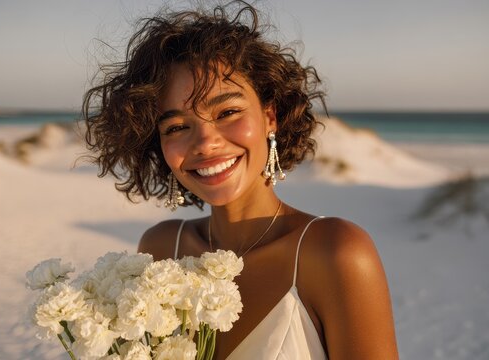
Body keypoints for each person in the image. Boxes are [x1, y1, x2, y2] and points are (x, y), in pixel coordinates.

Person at [83, 1, 399, 359]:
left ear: (270, 117)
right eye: (176, 127)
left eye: (228, 112)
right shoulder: (159, 250)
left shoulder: (335, 251)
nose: (205, 143)